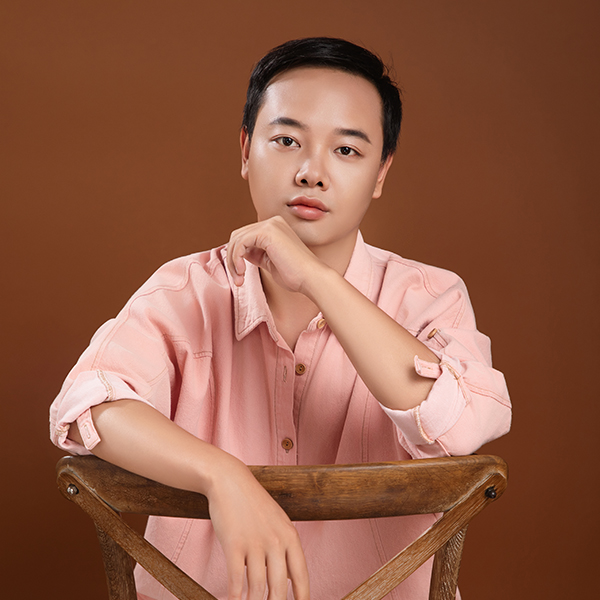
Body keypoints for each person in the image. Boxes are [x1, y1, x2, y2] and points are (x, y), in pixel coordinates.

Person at [50, 37, 511, 600]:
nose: (312, 173)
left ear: (381, 173)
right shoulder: (185, 291)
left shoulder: (430, 298)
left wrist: (316, 278)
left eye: (347, 150)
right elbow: (86, 406)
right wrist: (221, 476)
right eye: (287, 140)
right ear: (246, 150)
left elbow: (458, 426)